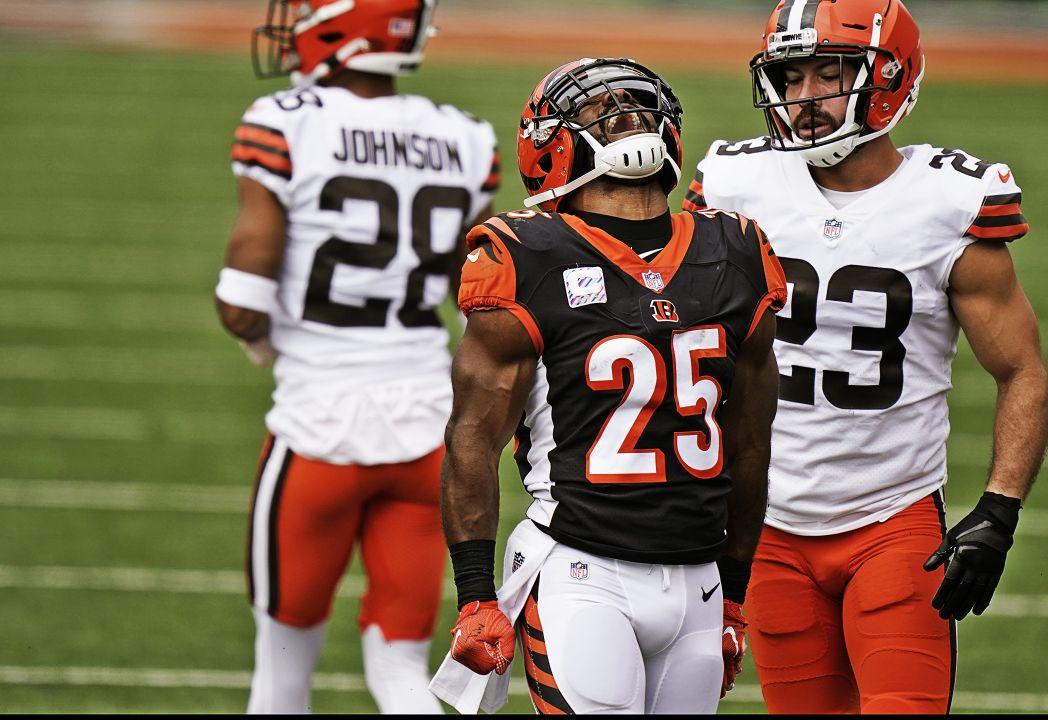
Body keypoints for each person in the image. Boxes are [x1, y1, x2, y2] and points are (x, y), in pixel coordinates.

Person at [683, 0, 1048, 713]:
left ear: (890, 79)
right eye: (791, 79)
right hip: (768, 527)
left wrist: (999, 512)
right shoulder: (734, 186)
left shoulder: (948, 201)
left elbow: (1021, 371)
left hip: (893, 520)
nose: (805, 98)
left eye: (830, 74)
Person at [429, 58, 788, 714]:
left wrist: (733, 594)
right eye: (607, 109)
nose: (624, 120)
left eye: (632, 107)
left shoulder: (734, 249)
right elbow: (472, 438)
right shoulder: (527, 254)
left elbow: (750, 448)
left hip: (698, 582)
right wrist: (477, 594)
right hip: (580, 569)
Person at [214, 0, 500, 712]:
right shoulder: (464, 137)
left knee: (280, 669)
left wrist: (258, 337)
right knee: (402, 665)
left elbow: (243, 300)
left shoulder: (287, 120)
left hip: (318, 430)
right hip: (426, 427)